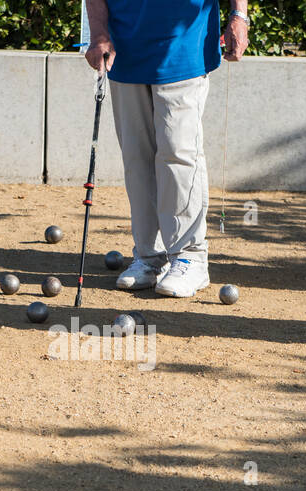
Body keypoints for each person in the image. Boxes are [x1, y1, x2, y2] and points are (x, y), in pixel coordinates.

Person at [83, 0, 248, 298]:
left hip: (185, 45)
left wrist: (239, 15)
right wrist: (97, 33)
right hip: (125, 49)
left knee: (178, 154)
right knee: (137, 158)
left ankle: (190, 257)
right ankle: (149, 256)